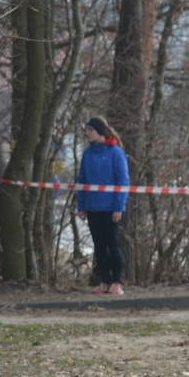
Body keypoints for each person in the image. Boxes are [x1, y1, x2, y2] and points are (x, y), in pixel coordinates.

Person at [76, 117, 129, 295]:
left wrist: (118, 207)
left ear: (99, 131)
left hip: (110, 207)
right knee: (98, 245)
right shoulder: (87, 154)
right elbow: (82, 181)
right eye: (86, 130)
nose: (87, 133)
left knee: (112, 244)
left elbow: (123, 181)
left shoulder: (115, 152)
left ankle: (117, 281)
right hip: (92, 207)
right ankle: (104, 281)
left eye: (90, 130)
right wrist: (81, 206)